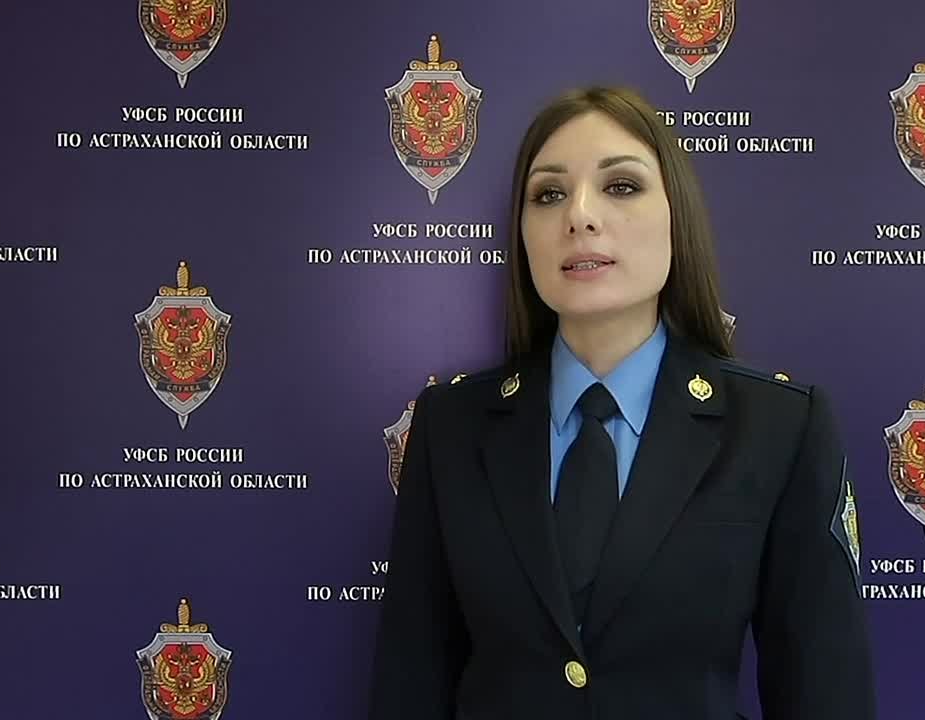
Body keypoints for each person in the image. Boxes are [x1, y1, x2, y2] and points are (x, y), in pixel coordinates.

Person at [367, 86, 875, 720]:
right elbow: (410, 679)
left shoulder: (780, 427)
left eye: (622, 186)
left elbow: (825, 689)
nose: (579, 215)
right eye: (548, 195)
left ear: (677, 217)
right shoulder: (451, 426)